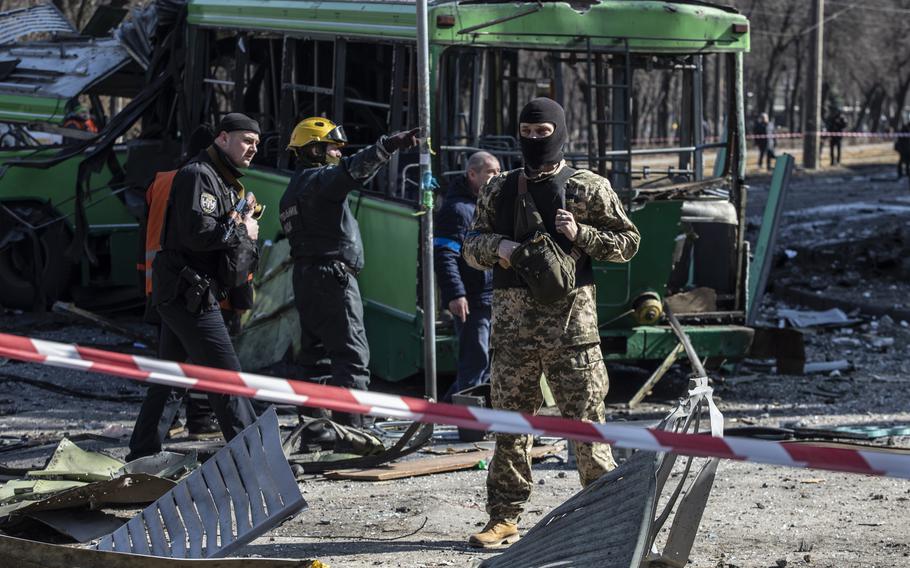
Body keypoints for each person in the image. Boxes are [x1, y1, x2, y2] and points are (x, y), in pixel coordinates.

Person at [462, 97, 641, 548]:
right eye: (528, 132)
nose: (536, 140)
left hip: (572, 333)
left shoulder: (588, 187)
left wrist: (581, 234)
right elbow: (470, 243)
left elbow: (628, 243)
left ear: (560, 132)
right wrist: (497, 247)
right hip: (512, 334)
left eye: (544, 132)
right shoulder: (498, 188)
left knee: (587, 427)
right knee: (510, 428)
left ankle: (606, 524)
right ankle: (503, 519)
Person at [127, 113, 262, 461]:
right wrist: (242, 228)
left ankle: (143, 453)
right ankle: (256, 459)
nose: (253, 149)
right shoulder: (199, 175)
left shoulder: (220, 179)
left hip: (186, 292)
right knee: (227, 377)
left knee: (171, 378)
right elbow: (200, 236)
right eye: (247, 140)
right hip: (189, 294)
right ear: (221, 138)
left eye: (256, 143)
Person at [279, 117, 419, 433]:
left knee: (314, 359)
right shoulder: (318, 181)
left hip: (305, 278)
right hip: (333, 277)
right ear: (313, 150)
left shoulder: (291, 192)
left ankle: (316, 431)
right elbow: (354, 169)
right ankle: (356, 432)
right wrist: (388, 144)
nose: (339, 153)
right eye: (333, 148)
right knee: (352, 357)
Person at [434, 152, 500, 402]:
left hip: (489, 297)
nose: (497, 176)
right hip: (472, 300)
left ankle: (447, 413)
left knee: (485, 364)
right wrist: (456, 294)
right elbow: (444, 255)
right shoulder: (458, 211)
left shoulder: (484, 205)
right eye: (491, 172)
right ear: (472, 174)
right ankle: (462, 421)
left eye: (498, 171)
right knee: (476, 361)